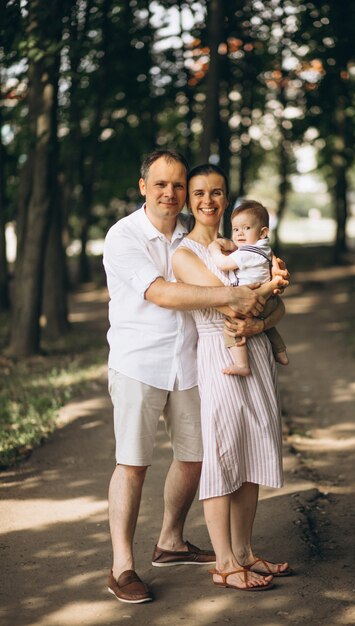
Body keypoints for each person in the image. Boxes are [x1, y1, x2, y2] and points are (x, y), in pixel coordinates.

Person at [102, 149, 289, 603]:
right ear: (143, 185)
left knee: (197, 458)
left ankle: (171, 542)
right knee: (133, 464)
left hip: (189, 361)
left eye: (178, 185)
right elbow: (160, 292)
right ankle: (122, 567)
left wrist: (261, 315)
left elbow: (270, 303)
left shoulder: (205, 234)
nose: (172, 192)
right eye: (161, 184)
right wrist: (243, 294)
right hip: (139, 361)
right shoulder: (124, 235)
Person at [172, 163, 292, 593]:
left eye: (217, 192)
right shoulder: (185, 254)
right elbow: (235, 304)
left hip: (253, 351)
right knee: (223, 453)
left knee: (253, 449)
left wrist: (267, 311)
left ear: (226, 198)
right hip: (219, 353)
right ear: (189, 199)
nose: (208, 201)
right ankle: (223, 561)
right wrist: (271, 287)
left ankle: (244, 552)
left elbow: (272, 312)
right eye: (200, 192)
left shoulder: (239, 243)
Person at [208, 199, 289, 376]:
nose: (239, 234)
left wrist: (214, 249)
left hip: (253, 300)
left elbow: (224, 263)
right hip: (269, 301)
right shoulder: (265, 250)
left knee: (232, 328)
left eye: (246, 228)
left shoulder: (247, 253)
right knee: (269, 327)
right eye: (236, 229)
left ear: (263, 232)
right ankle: (281, 352)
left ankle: (242, 364)